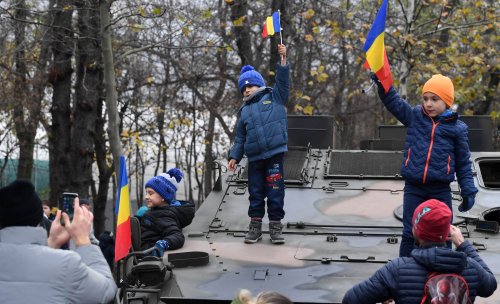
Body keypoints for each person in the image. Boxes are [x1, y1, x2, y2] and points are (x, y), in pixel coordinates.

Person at [372, 73, 478, 257]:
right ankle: (404, 269)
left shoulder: (457, 129)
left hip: (440, 189)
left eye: (434, 99)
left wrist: (468, 191)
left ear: (447, 102)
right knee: (409, 232)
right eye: (426, 98)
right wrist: (383, 82)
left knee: (443, 233)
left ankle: (445, 271)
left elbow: (463, 164)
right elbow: (394, 102)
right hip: (414, 187)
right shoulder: (415, 117)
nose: (428, 104)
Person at [342, 199, 497, 304]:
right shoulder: (470, 267)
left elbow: (350, 299)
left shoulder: (396, 270)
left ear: (416, 230)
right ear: (448, 232)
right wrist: (463, 245)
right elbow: (490, 285)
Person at [0, 179, 117, 303]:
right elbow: (106, 290)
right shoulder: (66, 263)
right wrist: (83, 240)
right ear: (38, 219)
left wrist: (51, 244)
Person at [228, 44, 290, 244]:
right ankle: (255, 226)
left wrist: (283, 61)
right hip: (254, 159)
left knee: (275, 191)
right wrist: (234, 157)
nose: (247, 90)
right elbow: (240, 138)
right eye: (243, 88)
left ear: (259, 85)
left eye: (250, 86)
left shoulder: (274, 97)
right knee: (255, 193)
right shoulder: (244, 112)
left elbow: (283, 81)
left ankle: (275, 226)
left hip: (273, 155)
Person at [140, 168, 195, 257]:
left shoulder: (163, 215)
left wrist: (164, 244)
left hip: (150, 257)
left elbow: (177, 236)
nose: (146, 197)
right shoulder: (156, 212)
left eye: (150, 193)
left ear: (163, 197)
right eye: (146, 193)